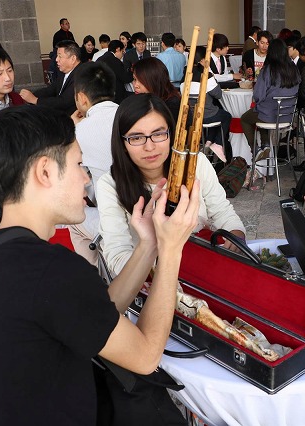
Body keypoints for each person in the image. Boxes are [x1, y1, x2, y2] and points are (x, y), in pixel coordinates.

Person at [0, 103, 200, 425]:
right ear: (45, 172)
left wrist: (149, 244)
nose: (86, 179)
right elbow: (145, 357)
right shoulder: (47, 269)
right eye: (79, 164)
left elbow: (94, 311)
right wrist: (172, 250)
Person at [96, 94, 245, 276]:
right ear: (122, 142)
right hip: (149, 280)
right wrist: (157, 250)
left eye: (158, 134)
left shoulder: (195, 164)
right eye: (136, 138)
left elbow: (222, 211)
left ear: (171, 133)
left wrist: (235, 235)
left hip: (204, 269)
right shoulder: (110, 184)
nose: (150, 147)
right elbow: (117, 257)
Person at [68, 62, 119, 265]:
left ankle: (96, 277)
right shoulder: (132, 118)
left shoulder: (79, 132)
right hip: (153, 210)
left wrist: (74, 129)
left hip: (115, 220)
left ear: (81, 97)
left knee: (76, 221)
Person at [240, 38, 300, 157]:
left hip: (269, 115)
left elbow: (257, 95)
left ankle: (255, 150)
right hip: (287, 116)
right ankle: (266, 144)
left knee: (246, 118)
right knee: (261, 110)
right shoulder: (294, 68)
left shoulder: (268, 70)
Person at [181, 46, 232, 163]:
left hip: (192, 117)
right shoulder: (206, 76)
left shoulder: (185, 77)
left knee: (217, 112)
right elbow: (218, 94)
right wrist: (211, 75)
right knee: (226, 116)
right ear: (203, 61)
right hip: (207, 116)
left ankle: (209, 141)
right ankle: (218, 143)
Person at [19, 40, 81, 116]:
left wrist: (36, 100)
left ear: (73, 59)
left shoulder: (81, 74)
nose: (56, 59)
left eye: (60, 56)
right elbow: (50, 90)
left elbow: (64, 101)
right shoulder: (64, 72)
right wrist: (31, 95)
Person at [132, 57, 183, 125]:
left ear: (154, 81)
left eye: (141, 81)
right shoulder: (145, 100)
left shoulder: (171, 105)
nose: (135, 85)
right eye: (135, 79)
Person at [96, 40, 133, 104]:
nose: (122, 55)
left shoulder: (99, 59)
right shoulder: (115, 61)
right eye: (122, 52)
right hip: (115, 96)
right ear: (118, 49)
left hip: (100, 94)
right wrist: (132, 71)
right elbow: (125, 78)